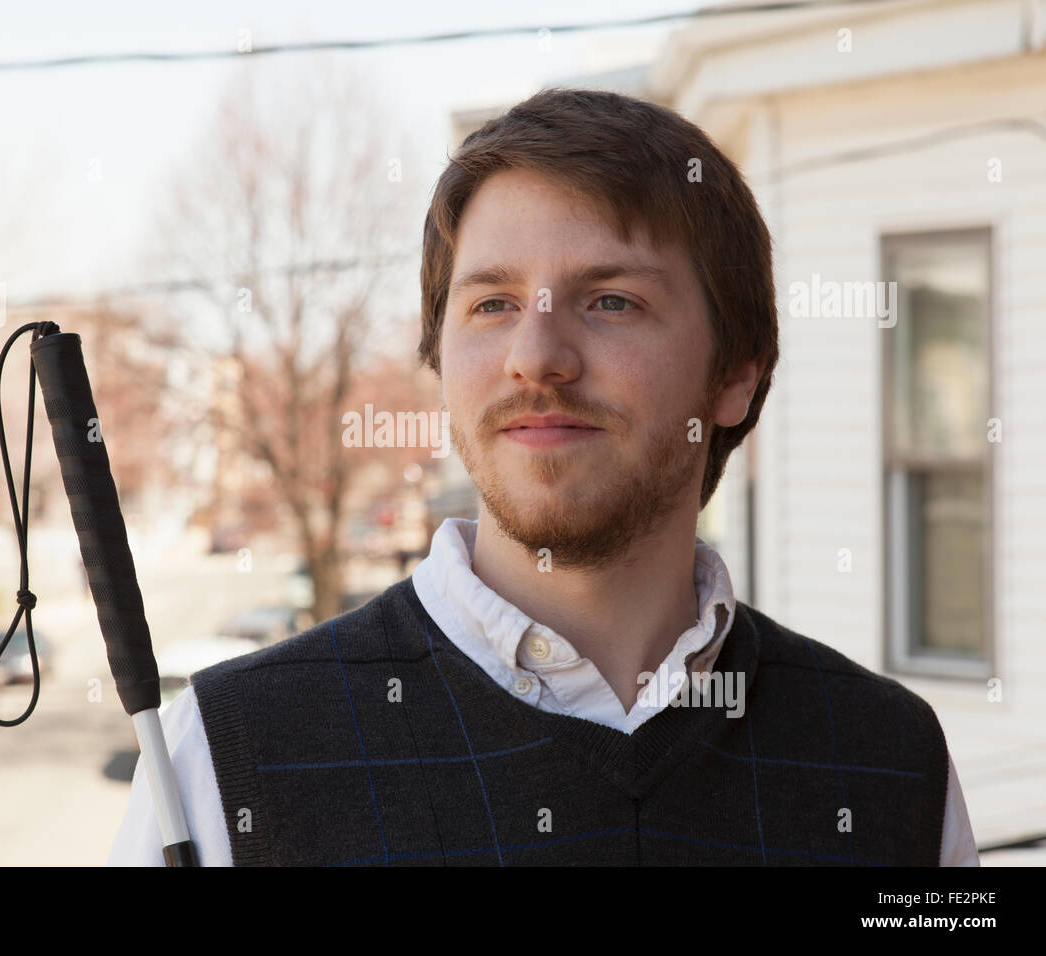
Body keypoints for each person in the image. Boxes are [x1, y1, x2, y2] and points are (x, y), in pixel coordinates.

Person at [109, 88, 977, 866]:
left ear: (734, 374)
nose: (537, 358)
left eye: (611, 301)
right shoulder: (229, 762)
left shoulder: (892, 767)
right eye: (492, 304)